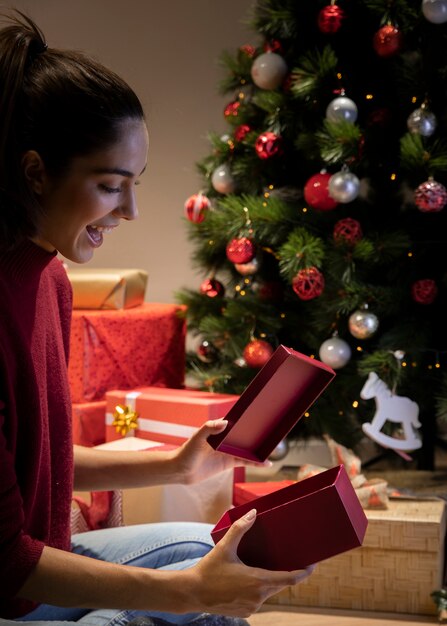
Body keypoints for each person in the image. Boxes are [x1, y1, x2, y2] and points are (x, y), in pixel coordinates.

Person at [0, 10, 314, 626]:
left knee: (213, 553)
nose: (134, 210)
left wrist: (175, 464)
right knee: (180, 606)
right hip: (13, 591)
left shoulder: (50, 280)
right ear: (35, 172)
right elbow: (7, 564)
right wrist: (192, 594)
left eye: (136, 183)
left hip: (38, 574)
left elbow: (42, 458)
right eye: (114, 185)